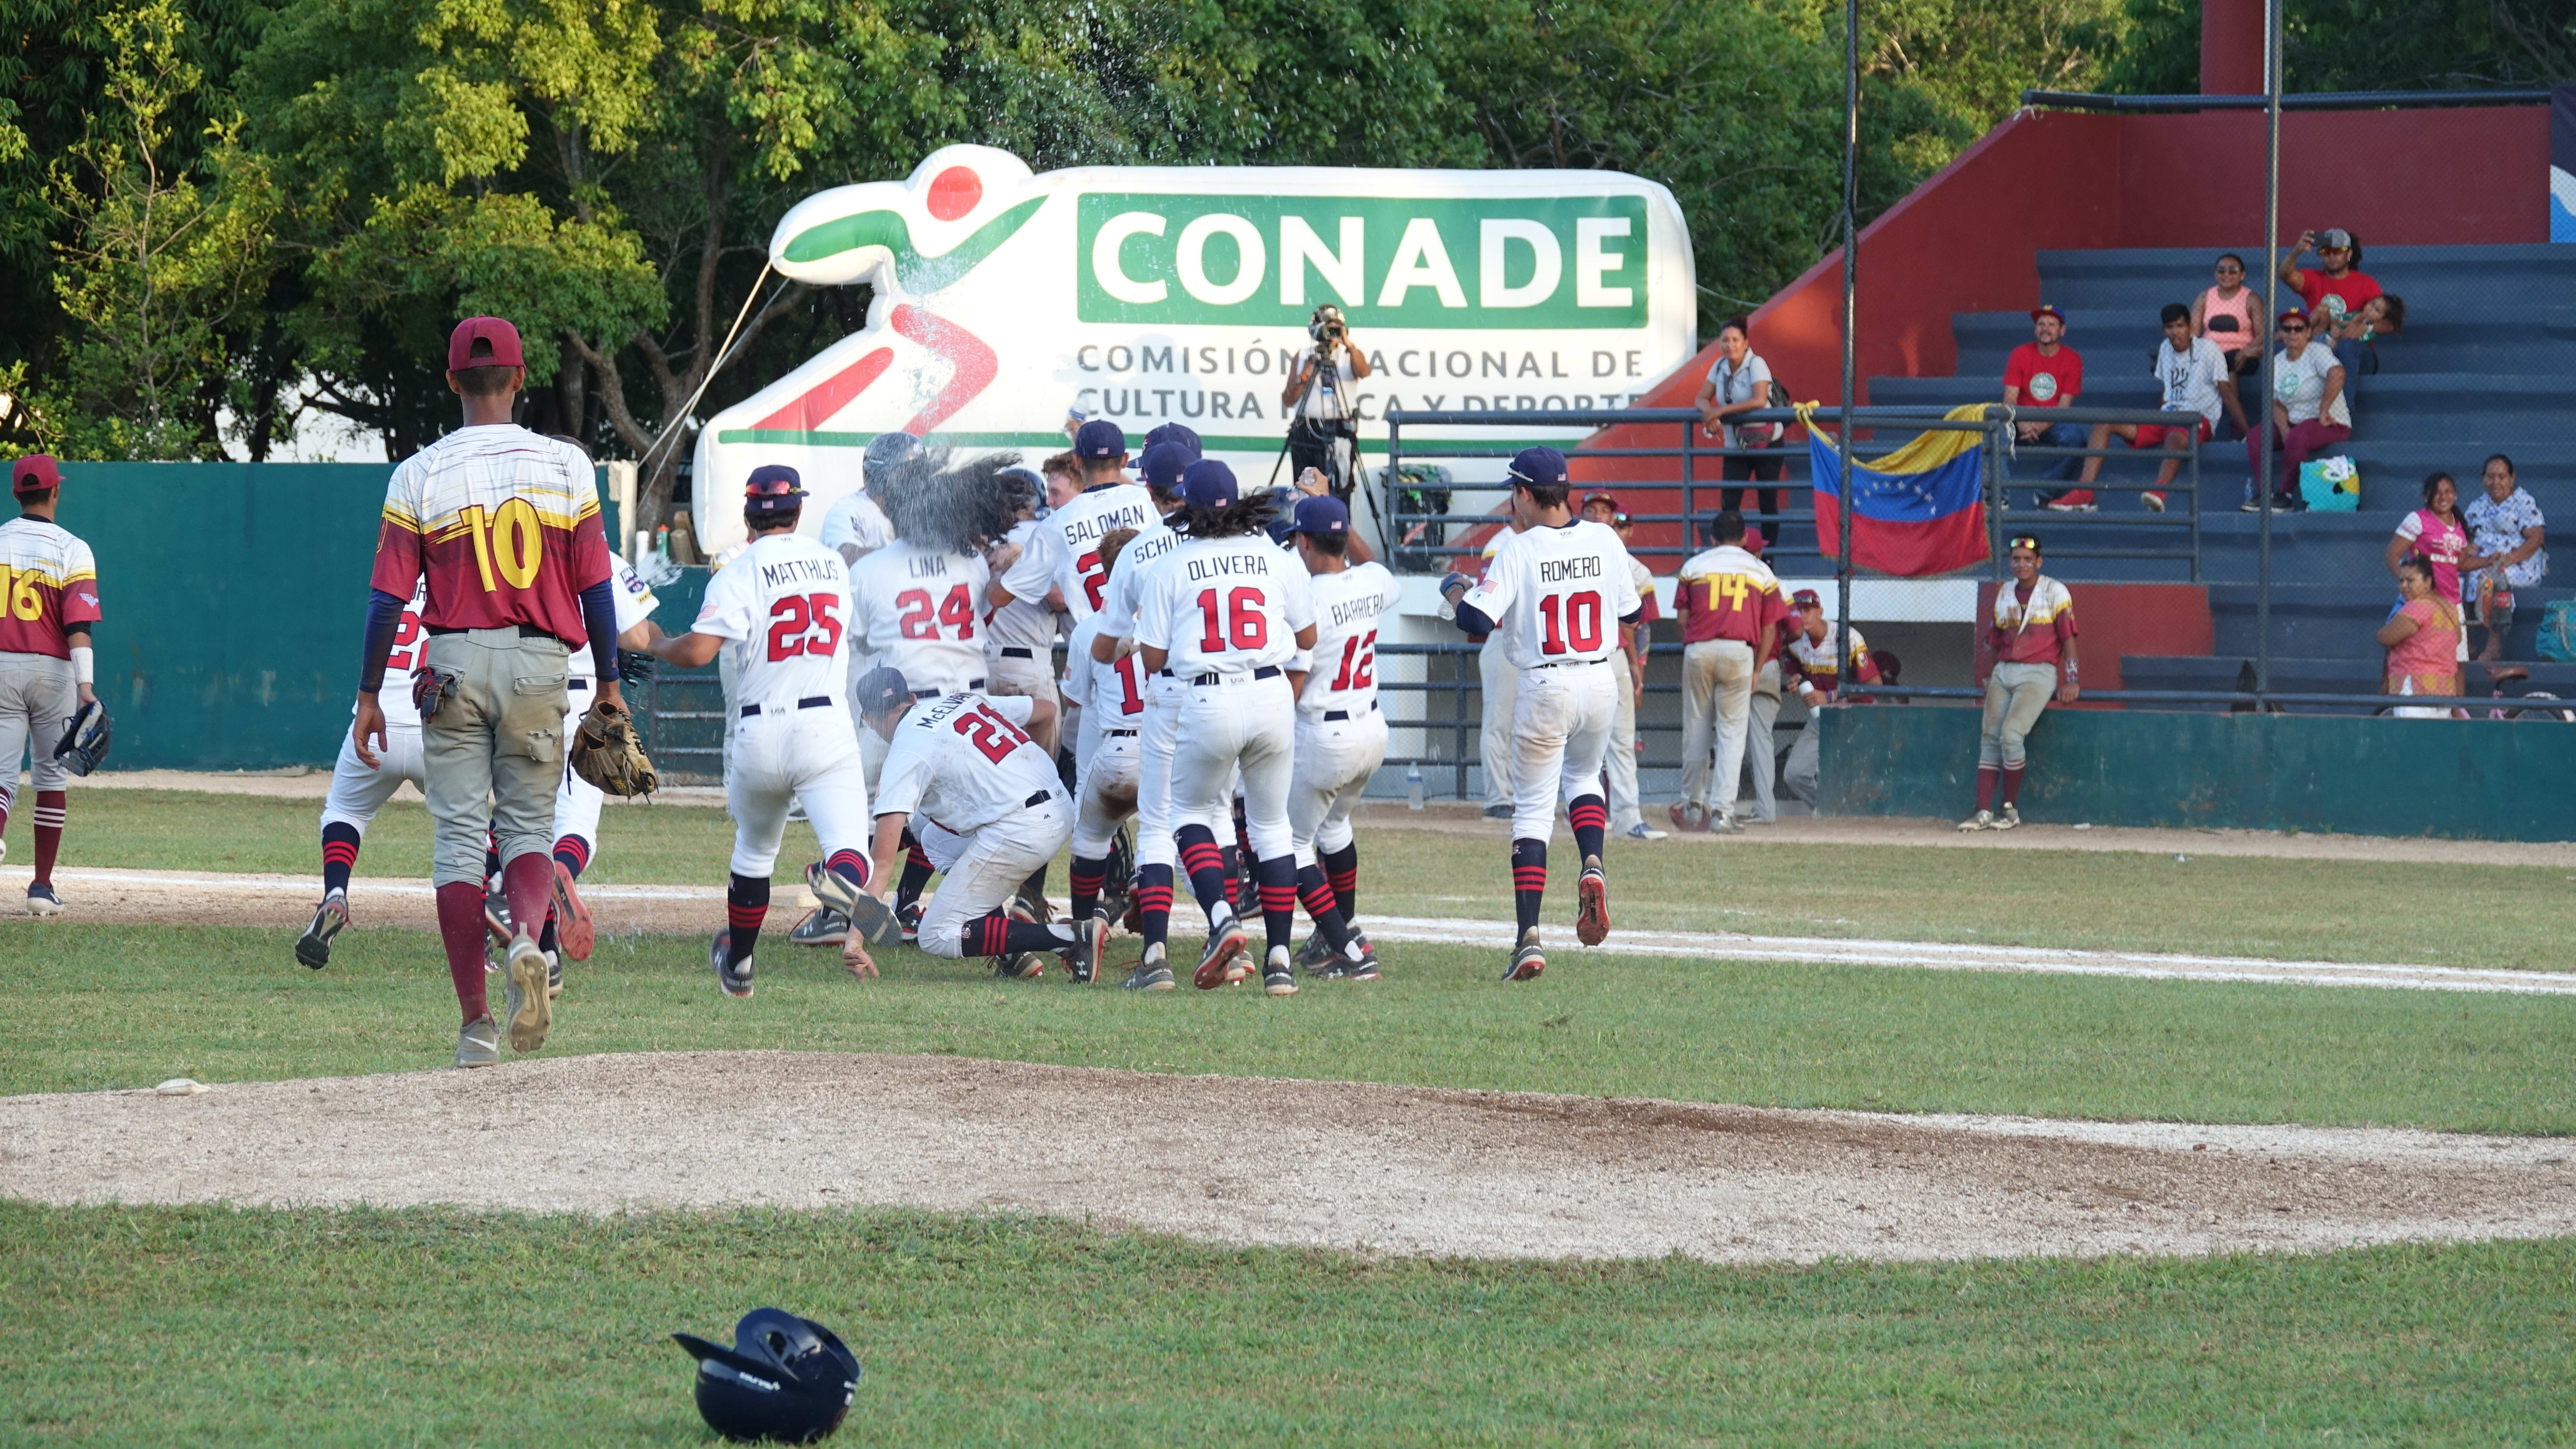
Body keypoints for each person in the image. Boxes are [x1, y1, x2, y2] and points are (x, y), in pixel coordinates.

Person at [353, 316, 621, 1068]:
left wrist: (370, 691)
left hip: (453, 662)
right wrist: (607, 680)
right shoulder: (565, 467)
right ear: (521, 378)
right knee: (532, 830)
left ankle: (475, 1023)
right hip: (542, 663)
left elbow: (385, 600)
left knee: (460, 844)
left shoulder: (420, 472)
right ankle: (530, 944)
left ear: (450, 382)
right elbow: (597, 582)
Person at [644, 467, 880, 994]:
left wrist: (659, 641)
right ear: (798, 512)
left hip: (760, 729)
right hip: (823, 723)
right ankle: (839, 878)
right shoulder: (834, 566)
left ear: (748, 515)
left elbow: (700, 651)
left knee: (753, 853)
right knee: (849, 846)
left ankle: (742, 965)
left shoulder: (739, 571)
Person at [1439, 446, 1642, 982]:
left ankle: (1529, 938)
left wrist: (1458, 591)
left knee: (1531, 812)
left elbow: (1476, 622)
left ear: (1525, 493)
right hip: (1599, 675)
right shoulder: (1604, 537)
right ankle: (1592, 862)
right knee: (1583, 778)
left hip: (1545, 681)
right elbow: (1634, 611)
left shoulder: (1516, 547)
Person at [1133, 459, 1318, 994]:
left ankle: (1222, 917)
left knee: (1187, 813)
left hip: (1208, 695)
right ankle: (1279, 962)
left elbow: (1152, 658)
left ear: (1185, 506)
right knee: (1272, 827)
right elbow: (1306, 638)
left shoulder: (1173, 563)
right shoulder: (1275, 555)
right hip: (1271, 692)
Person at [853, 667, 1096, 980]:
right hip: (1059, 804)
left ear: (869, 720)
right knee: (934, 841)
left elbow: (882, 863)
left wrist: (855, 940)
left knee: (935, 935)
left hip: (1023, 829)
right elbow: (1048, 711)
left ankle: (1069, 939)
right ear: (912, 698)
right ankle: (1012, 955)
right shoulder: (959, 700)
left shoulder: (905, 750)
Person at [1282, 494, 1399, 981]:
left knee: (1289, 844)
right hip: (1371, 727)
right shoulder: (1370, 578)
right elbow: (1379, 570)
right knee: (1334, 829)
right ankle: (1343, 928)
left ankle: (1348, 949)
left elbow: (1295, 682)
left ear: (1304, 542)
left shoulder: (1306, 599)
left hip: (1325, 731)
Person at [0, 454, 100, 916]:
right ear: (56, 492)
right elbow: (79, 621)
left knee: (2, 777)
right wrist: (86, 685)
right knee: (51, 776)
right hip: (54, 670)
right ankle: (41, 887)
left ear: (17, 493)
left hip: (2, 665)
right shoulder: (72, 548)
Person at [1669, 510, 1791, 835]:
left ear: (1712, 539)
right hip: (1740, 651)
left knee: (1696, 730)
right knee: (1732, 735)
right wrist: (1756, 667)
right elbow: (1770, 628)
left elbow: (1682, 620)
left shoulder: (1694, 566)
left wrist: (1693, 648)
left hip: (1700, 647)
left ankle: (1693, 807)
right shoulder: (1761, 571)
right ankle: (1722, 812)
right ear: (1742, 540)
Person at [1060, 527, 1146, 977]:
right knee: (1172, 842)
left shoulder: (1092, 628)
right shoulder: (1169, 618)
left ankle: (1083, 939)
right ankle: (1161, 950)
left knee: (1090, 839)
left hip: (1117, 750)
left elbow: (1076, 699)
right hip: (1167, 750)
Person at [1960, 534, 2077, 831]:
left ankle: (2009, 808)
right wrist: (1992, 673)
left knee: (2011, 735)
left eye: (2028, 559)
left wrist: (2072, 679)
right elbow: (1996, 639)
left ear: (2039, 562)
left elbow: (2069, 637)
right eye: (2016, 559)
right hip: (2005, 670)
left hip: (2039, 672)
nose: (2022, 564)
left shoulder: (2055, 590)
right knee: (1990, 737)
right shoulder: (2005, 592)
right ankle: (1982, 810)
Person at [2077, 303, 2238, 512]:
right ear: (2164, 330)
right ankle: (2084, 493)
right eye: (2170, 327)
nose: (2175, 332)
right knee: (2104, 422)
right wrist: (2160, 418)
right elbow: (2166, 392)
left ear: (2190, 326)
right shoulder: (2165, 348)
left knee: (2176, 437)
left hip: (2197, 419)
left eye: (2180, 326)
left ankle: (2160, 492)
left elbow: (2225, 390)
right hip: (2167, 418)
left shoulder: (2209, 349)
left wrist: (2243, 429)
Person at [1578, 496, 1665, 840]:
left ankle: (1629, 819)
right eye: (1591, 510)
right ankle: (1571, 815)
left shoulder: (1634, 567)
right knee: (1573, 742)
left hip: (1614, 653)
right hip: (1577, 654)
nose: (1598, 516)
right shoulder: (1564, 550)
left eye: (1604, 511)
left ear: (1614, 518)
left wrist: (1637, 668)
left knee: (1622, 740)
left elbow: (1640, 626)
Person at [1779, 588, 1878, 809]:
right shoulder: (1794, 642)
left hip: (1858, 715)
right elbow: (1797, 672)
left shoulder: (1846, 636)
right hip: (1823, 718)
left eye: (1808, 610)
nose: (1803, 616)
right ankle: (1829, 810)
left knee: (1862, 777)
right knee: (1795, 774)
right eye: (1798, 611)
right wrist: (1796, 681)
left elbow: (1875, 685)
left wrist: (1831, 696)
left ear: (1820, 611)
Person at [2245, 308, 2348, 511]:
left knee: (2298, 436)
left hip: (2329, 422)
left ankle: (2286, 495)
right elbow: (2274, 401)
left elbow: (2337, 374)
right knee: (2256, 435)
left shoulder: (2318, 351)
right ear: (2281, 333)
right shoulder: (2277, 361)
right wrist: (2284, 430)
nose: (2293, 333)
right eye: (2287, 329)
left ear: (2309, 332)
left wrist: (2323, 410)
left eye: (2299, 328)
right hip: (2294, 422)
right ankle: (2265, 493)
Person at [1694, 318, 1784, 528]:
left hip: (1768, 442)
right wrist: (1710, 414)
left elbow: (1759, 400)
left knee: (1767, 503)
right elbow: (1701, 398)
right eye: (1725, 340)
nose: (1730, 345)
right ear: (1719, 343)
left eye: (1736, 340)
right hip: (1736, 444)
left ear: (1746, 343)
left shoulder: (1756, 363)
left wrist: (1721, 411)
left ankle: (1767, 559)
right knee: (1729, 504)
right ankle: (1732, 553)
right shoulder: (1719, 367)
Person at [2003, 306, 2092, 510]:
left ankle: (2045, 492)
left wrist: (2038, 427)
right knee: (1993, 433)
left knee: (2075, 438)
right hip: (2020, 419)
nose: (2046, 329)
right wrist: (2024, 424)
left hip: (2053, 423)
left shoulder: (2073, 359)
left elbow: (2064, 407)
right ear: (2035, 330)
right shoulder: (2020, 354)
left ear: (2062, 331)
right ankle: (1999, 497)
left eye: (2052, 324)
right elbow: (2009, 400)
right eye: (2041, 324)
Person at [2462, 453, 2547, 662]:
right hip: (2485, 560)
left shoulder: (2523, 502)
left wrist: (2508, 559)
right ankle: (2466, 643)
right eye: (2491, 477)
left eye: (2502, 477)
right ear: (2483, 478)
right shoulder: (2478, 506)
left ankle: (2493, 646)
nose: (2496, 482)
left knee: (2494, 579)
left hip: (2519, 562)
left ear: (2512, 478)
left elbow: (2536, 539)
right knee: (2459, 577)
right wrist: (2469, 550)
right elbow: (2465, 536)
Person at [1280, 305, 1371, 495]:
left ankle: (1339, 522)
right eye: (1328, 328)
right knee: (1305, 489)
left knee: (1342, 488)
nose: (1332, 333)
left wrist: (1349, 345)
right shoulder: (1304, 355)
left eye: (1336, 328)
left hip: (1341, 429)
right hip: (1308, 430)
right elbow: (1288, 400)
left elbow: (1364, 372)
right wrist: (1304, 376)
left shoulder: (1349, 355)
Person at [2378, 554, 2462, 716]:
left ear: (2428, 581)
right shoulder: (2450, 608)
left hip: (2416, 690)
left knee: (2409, 739)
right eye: (2401, 581)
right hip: (2443, 691)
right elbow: (2458, 638)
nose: (2403, 586)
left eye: (2410, 581)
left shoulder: (2417, 607)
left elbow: (2386, 637)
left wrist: (2380, 634)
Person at [818, 430, 912, 566]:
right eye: (909, 477)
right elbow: (846, 556)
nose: (917, 484)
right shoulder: (848, 509)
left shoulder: (920, 507)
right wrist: (910, 556)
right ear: (881, 479)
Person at [2388, 472, 2471, 615]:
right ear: (2426, 496)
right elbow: (2392, 556)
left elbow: (2459, 564)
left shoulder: (2459, 524)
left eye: (2448, 492)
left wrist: (2489, 561)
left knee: (2457, 638)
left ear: (2455, 495)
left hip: (2452, 602)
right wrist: (2411, 585)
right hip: (2422, 601)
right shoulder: (2416, 519)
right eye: (2437, 493)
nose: (2443, 497)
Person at [2190, 252, 2266, 382]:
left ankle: (2232, 403)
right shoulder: (2205, 297)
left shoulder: (2252, 299)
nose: (2226, 275)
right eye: (2221, 271)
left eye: (2233, 271)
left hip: (2240, 355)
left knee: (2227, 364)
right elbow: (2193, 331)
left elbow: (2262, 334)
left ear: (2243, 275)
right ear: (2216, 274)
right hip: (2210, 352)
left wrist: (2246, 351)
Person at [2326, 293, 2404, 391]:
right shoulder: (2354, 314)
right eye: (2372, 304)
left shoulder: (2369, 332)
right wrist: (2334, 325)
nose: (2371, 309)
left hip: (2336, 353)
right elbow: (2337, 320)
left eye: (2377, 311)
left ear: (2382, 320)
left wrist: (2357, 320)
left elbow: (2346, 339)